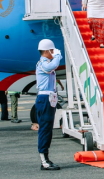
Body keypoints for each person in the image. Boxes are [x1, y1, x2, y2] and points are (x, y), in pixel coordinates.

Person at [36, 39, 62, 171]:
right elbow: (52, 66)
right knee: (45, 129)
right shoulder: (43, 63)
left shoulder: (45, 62)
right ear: (46, 51)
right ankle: (44, 160)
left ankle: (45, 158)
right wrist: (57, 55)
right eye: (51, 51)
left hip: (48, 98)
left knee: (48, 129)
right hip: (45, 98)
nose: (53, 53)